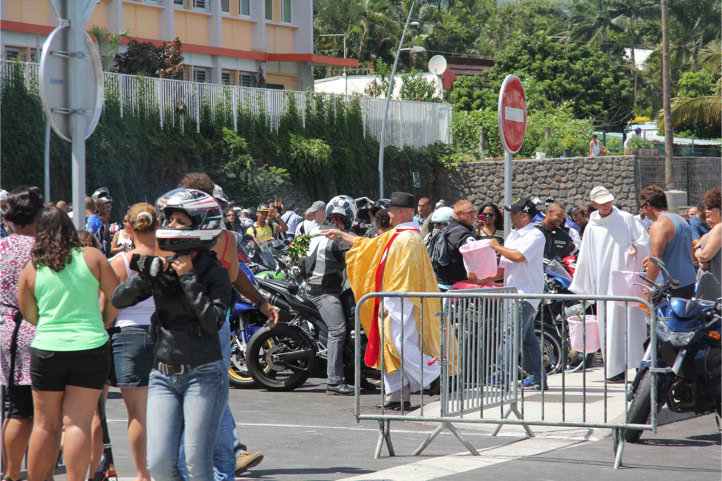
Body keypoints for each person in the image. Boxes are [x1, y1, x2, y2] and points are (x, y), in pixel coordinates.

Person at [111, 188, 230, 481]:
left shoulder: (214, 271)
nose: (170, 225)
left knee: (196, 463)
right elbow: (119, 299)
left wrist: (188, 277)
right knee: (159, 464)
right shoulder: (164, 265)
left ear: (201, 226)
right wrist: (147, 276)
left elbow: (213, 322)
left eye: (179, 221)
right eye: (169, 219)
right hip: (162, 374)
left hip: (203, 374)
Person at [175, 174, 273, 478]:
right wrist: (261, 301)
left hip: (179, 325)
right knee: (210, 393)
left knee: (187, 396)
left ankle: (219, 459)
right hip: (212, 323)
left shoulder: (169, 236)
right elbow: (234, 275)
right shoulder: (225, 237)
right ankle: (228, 457)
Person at [18, 205, 119, 481]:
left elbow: (29, 314)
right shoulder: (92, 256)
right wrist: (104, 320)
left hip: (47, 347)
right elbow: (116, 295)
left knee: (44, 425)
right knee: (78, 424)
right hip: (90, 345)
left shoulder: (32, 267)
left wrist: (50, 325)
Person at [329, 192, 441, 410]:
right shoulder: (400, 235)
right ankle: (398, 396)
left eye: (390, 210)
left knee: (398, 343)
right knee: (389, 346)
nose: (387, 214)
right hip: (394, 299)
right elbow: (369, 246)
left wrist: (387, 301)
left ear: (399, 211)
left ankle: (433, 372)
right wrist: (341, 235)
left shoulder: (407, 238)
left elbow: (403, 274)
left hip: (399, 300)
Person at [569, 186, 650, 382]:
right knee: (609, 325)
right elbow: (586, 257)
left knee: (634, 324)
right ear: (594, 204)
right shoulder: (592, 226)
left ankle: (640, 368)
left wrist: (636, 248)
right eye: (601, 203)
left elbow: (644, 242)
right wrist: (586, 287)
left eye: (608, 201)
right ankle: (614, 370)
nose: (606, 205)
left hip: (627, 279)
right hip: (604, 283)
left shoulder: (626, 219)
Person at [0, 186, 54, 481]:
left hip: (6, 329)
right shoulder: (43, 250)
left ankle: (10, 474)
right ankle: (42, 476)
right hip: (39, 329)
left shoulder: (1, 248)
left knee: (15, 408)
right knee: (45, 416)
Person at [105, 203, 159, 481]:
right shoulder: (170, 259)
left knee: (137, 413)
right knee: (170, 409)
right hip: (166, 335)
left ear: (128, 226)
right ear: (158, 224)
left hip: (128, 337)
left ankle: (142, 474)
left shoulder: (121, 262)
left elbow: (109, 310)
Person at [469, 197, 547, 390]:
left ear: (525, 216)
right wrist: (482, 279)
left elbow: (519, 257)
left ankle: (501, 376)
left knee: (509, 335)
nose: (510, 216)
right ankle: (537, 377)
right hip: (514, 293)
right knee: (527, 338)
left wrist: (496, 246)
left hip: (525, 293)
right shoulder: (513, 235)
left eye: (514, 213)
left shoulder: (535, 235)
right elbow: (504, 268)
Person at [300, 196, 370, 395]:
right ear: (350, 217)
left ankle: (354, 375)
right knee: (338, 330)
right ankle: (334, 381)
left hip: (312, 287)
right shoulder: (338, 238)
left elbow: (301, 264)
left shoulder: (313, 233)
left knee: (350, 326)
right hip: (324, 293)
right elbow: (359, 258)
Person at [639, 185, 696, 300]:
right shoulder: (682, 221)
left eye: (642, 207)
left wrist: (647, 290)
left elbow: (655, 261)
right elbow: (690, 254)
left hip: (669, 287)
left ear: (648, 206)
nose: (643, 212)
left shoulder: (659, 225)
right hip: (688, 282)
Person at [434, 200, 477, 289]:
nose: (473, 215)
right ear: (459, 214)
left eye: (474, 212)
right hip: (453, 286)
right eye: (470, 213)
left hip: (445, 283)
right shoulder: (460, 232)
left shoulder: (450, 228)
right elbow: (475, 252)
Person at [695, 188, 721, 300]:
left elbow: (704, 255)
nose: (707, 211)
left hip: (716, 289)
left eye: (710, 207)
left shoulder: (720, 228)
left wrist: (699, 253)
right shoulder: (713, 230)